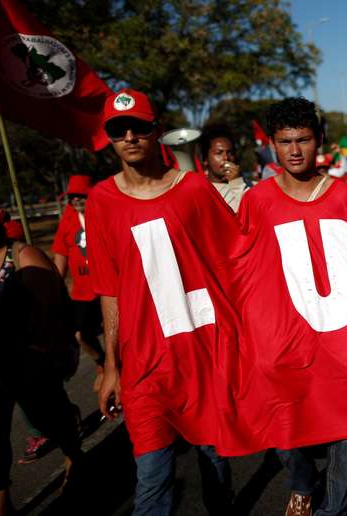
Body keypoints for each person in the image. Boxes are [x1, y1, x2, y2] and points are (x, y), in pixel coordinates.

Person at [87, 89, 236, 516]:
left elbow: (234, 259)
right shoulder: (101, 200)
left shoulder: (193, 188)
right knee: (152, 480)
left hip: (203, 355)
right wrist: (112, 366)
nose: (129, 136)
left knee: (216, 469)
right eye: (118, 130)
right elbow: (108, 288)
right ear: (109, 138)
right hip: (144, 365)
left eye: (138, 127)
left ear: (156, 131)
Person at [237, 97, 347, 516]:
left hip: (341, 341)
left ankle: (334, 508)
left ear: (318, 141)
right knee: (280, 423)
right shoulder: (257, 201)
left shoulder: (345, 196)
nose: (294, 150)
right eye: (285, 141)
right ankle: (303, 482)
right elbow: (242, 270)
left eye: (303, 140)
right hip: (283, 342)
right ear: (272, 144)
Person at [0, 202, 83, 516]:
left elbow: (50, 315)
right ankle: (0, 509)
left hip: (32, 359)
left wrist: (41, 359)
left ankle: (74, 456)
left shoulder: (23, 258)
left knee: (48, 421)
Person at [52, 175, 106, 392]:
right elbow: (60, 255)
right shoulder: (68, 220)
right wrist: (56, 286)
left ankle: (121, 369)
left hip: (108, 287)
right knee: (81, 335)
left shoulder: (103, 214)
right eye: (72, 197)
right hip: (83, 292)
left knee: (119, 334)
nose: (76, 201)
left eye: (80, 196)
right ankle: (102, 364)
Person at [201, 124, 248, 212]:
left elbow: (253, 212)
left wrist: (237, 184)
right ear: (205, 159)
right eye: (219, 153)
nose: (226, 157)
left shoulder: (247, 184)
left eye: (230, 152)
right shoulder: (202, 191)